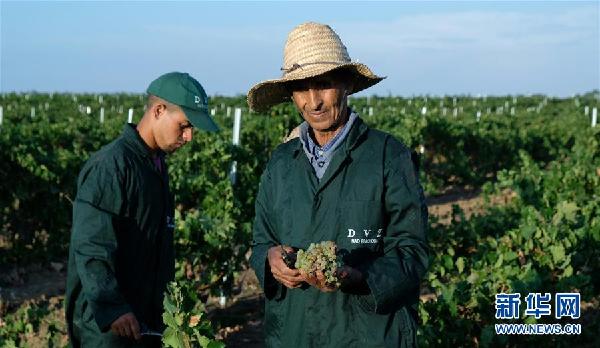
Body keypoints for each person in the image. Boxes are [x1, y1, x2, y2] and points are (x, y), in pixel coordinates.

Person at [247, 22, 429, 347]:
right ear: (291, 95)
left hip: (366, 334)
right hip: (295, 331)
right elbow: (262, 240)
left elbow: (412, 251)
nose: (313, 101)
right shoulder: (281, 162)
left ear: (346, 84)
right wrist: (270, 260)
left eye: (324, 84)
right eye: (301, 89)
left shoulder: (388, 156)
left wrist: (360, 276)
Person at [65, 72, 219, 347]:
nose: (189, 136)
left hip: (142, 321)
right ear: (158, 110)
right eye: (184, 125)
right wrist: (114, 308)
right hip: (110, 328)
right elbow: (91, 248)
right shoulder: (111, 167)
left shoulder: (155, 166)